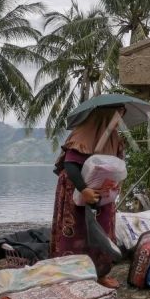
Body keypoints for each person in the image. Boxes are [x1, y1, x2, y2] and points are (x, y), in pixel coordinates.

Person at [51, 107, 125, 288]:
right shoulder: (83, 133)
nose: (119, 120)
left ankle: (100, 274)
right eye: (117, 115)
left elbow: (115, 166)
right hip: (76, 190)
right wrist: (83, 189)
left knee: (103, 229)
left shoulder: (114, 137)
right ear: (104, 114)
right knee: (75, 231)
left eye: (122, 116)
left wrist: (114, 185)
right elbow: (70, 164)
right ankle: (72, 275)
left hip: (102, 193)